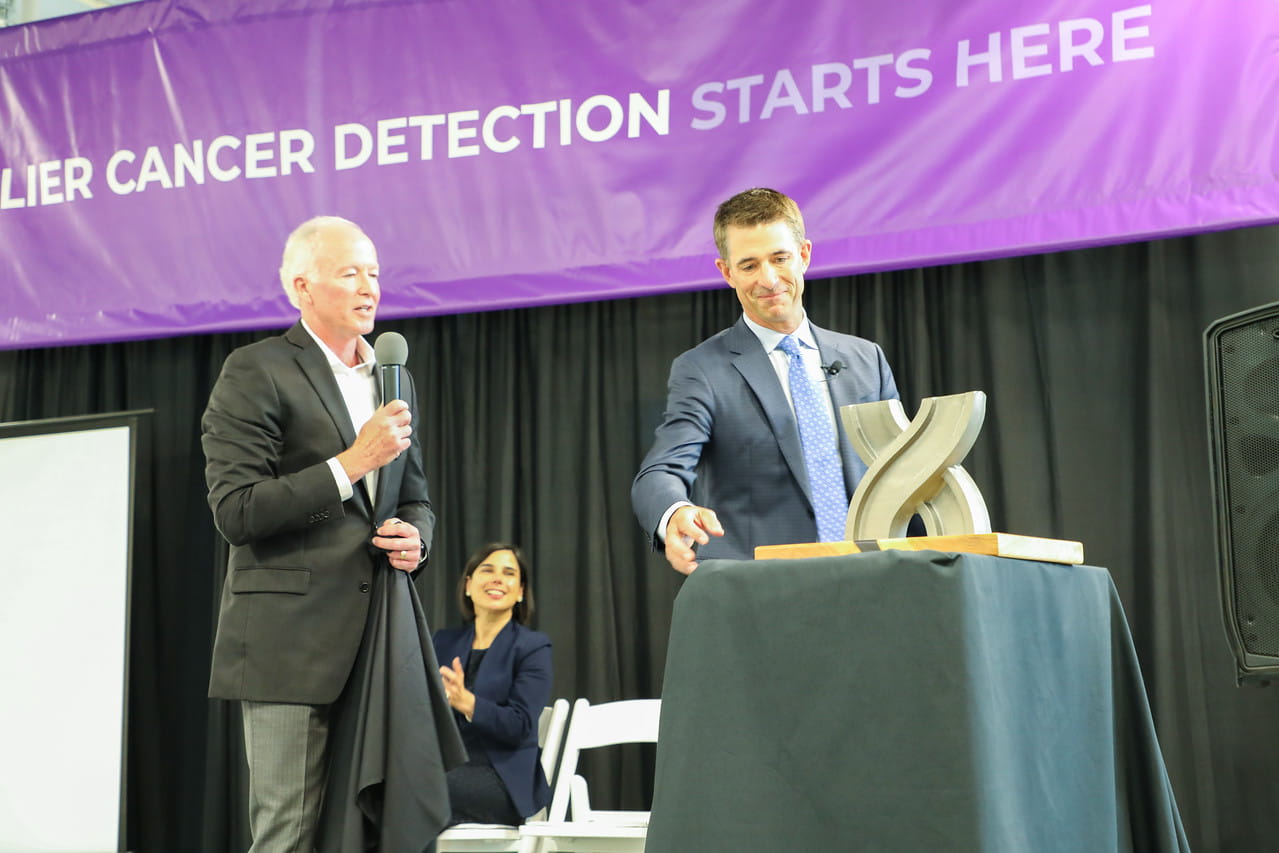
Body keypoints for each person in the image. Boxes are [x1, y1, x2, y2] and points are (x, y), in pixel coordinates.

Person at [202, 215, 442, 852]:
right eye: (349, 273)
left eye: (375, 273)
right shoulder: (256, 370)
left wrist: (416, 537)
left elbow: (413, 495)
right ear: (303, 288)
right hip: (291, 643)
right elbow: (238, 511)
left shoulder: (392, 378)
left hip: (378, 637)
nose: (369, 288)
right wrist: (350, 464)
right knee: (289, 833)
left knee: (369, 828)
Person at [631, 187, 903, 573]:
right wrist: (674, 512)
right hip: (764, 593)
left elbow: (905, 473)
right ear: (726, 272)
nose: (769, 279)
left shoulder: (865, 360)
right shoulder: (703, 369)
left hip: (871, 580)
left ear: (804, 255)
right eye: (749, 265)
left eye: (780, 258)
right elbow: (661, 470)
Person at [434, 543, 553, 826]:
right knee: (380, 785)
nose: (497, 578)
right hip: (445, 767)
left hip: (501, 778)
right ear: (468, 585)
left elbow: (520, 725)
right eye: (487, 569)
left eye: (509, 573)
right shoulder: (443, 642)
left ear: (521, 591)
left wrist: (468, 703)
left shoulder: (533, 647)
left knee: (417, 792)